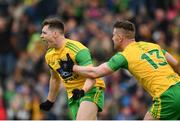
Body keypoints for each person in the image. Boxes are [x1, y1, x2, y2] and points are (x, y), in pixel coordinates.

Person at [66, 20, 180, 120]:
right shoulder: (153, 46)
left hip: (166, 96)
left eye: (113, 35)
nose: (112, 38)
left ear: (120, 38)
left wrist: (72, 67)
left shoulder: (123, 56)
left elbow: (95, 72)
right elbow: (176, 64)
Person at [39, 17, 105, 120]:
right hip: (73, 96)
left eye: (44, 33)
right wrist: (50, 101)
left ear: (55, 34)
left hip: (90, 90)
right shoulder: (49, 55)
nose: (41, 36)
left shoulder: (77, 49)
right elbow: (55, 79)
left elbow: (92, 75)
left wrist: (83, 91)